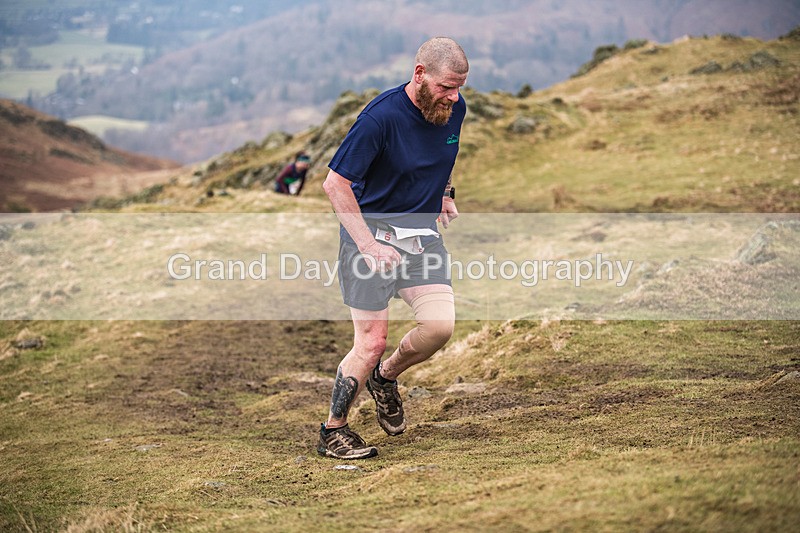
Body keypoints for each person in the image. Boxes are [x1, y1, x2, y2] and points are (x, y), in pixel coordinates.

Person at [317, 37, 468, 459]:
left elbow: (445, 154)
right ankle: (333, 432)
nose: (453, 97)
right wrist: (367, 245)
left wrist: (445, 192)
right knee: (371, 343)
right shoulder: (378, 119)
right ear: (419, 74)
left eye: (459, 88)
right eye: (445, 87)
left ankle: (384, 378)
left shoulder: (453, 109)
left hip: (420, 236)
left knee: (439, 328)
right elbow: (335, 184)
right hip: (369, 236)